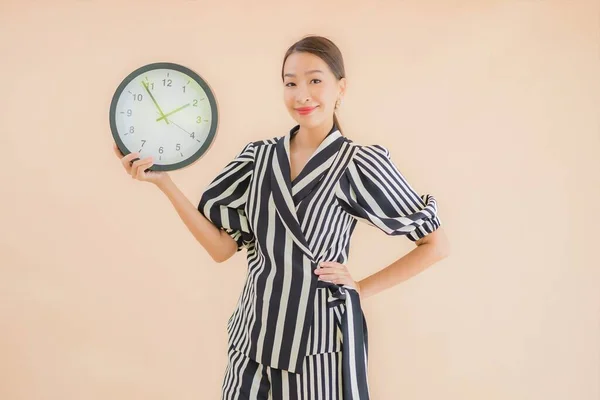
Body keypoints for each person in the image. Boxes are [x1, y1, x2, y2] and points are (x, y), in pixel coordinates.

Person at [114, 35, 450, 400]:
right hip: (252, 338)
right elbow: (222, 249)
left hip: (317, 346)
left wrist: (358, 290)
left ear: (342, 88)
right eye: (290, 83)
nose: (301, 95)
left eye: (315, 80)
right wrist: (164, 183)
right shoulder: (258, 157)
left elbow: (435, 244)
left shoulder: (359, 163)